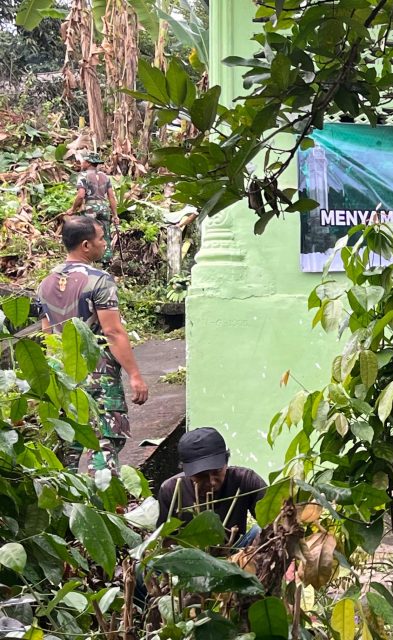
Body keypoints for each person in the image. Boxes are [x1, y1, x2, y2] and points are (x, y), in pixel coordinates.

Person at [37, 215, 148, 472]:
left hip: (64, 377)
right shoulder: (99, 280)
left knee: (70, 446)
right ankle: (103, 501)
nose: (105, 243)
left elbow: (48, 336)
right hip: (99, 377)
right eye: (101, 238)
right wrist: (135, 375)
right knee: (105, 443)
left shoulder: (46, 283)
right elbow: (113, 332)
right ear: (86, 245)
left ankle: (72, 507)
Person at [155, 427, 268, 550]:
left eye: (217, 471)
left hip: (236, 550)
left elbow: (275, 521)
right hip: (191, 558)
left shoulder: (246, 480)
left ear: (226, 462)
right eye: (201, 475)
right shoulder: (171, 490)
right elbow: (166, 542)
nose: (212, 482)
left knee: (260, 530)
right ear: (185, 470)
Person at [65, 152, 119, 264]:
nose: (82, 163)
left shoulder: (83, 176)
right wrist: (115, 215)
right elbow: (111, 197)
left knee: (90, 235)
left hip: (90, 209)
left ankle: (90, 260)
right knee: (104, 235)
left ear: (88, 163)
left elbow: (80, 195)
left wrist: (73, 209)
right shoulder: (106, 177)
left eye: (83, 161)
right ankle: (106, 261)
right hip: (104, 208)